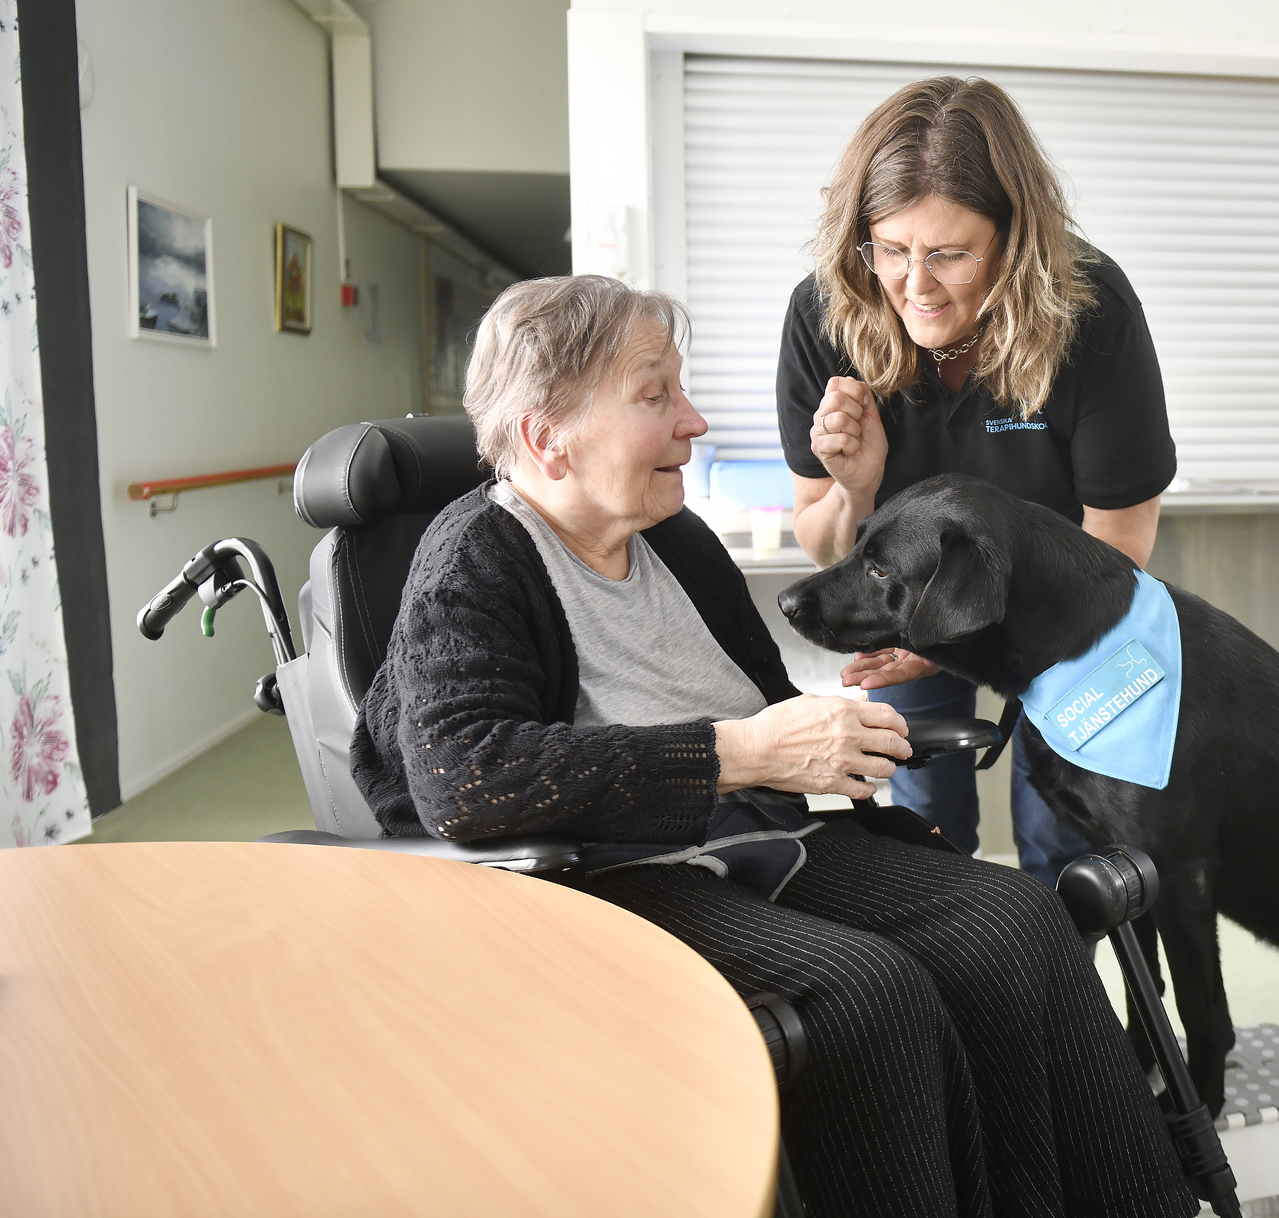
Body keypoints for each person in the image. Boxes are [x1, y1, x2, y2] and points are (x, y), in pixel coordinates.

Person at [352, 275, 1196, 1218]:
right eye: (655, 396)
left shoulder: (675, 541)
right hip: (605, 875)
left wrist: (828, 731)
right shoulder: (476, 555)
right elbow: (464, 779)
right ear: (549, 436)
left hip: (751, 837)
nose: (695, 421)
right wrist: (738, 754)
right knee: (870, 999)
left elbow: (760, 707)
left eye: (682, 390)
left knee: (1016, 922)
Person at [776, 76, 1177, 886]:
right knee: (927, 835)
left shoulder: (1089, 311)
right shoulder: (826, 315)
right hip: (911, 625)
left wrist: (945, 643)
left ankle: (1057, 996)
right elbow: (819, 535)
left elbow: (1119, 549)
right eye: (891, 250)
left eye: (950, 254)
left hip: (1069, 617)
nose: (916, 286)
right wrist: (856, 487)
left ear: (1014, 240)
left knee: (1063, 841)